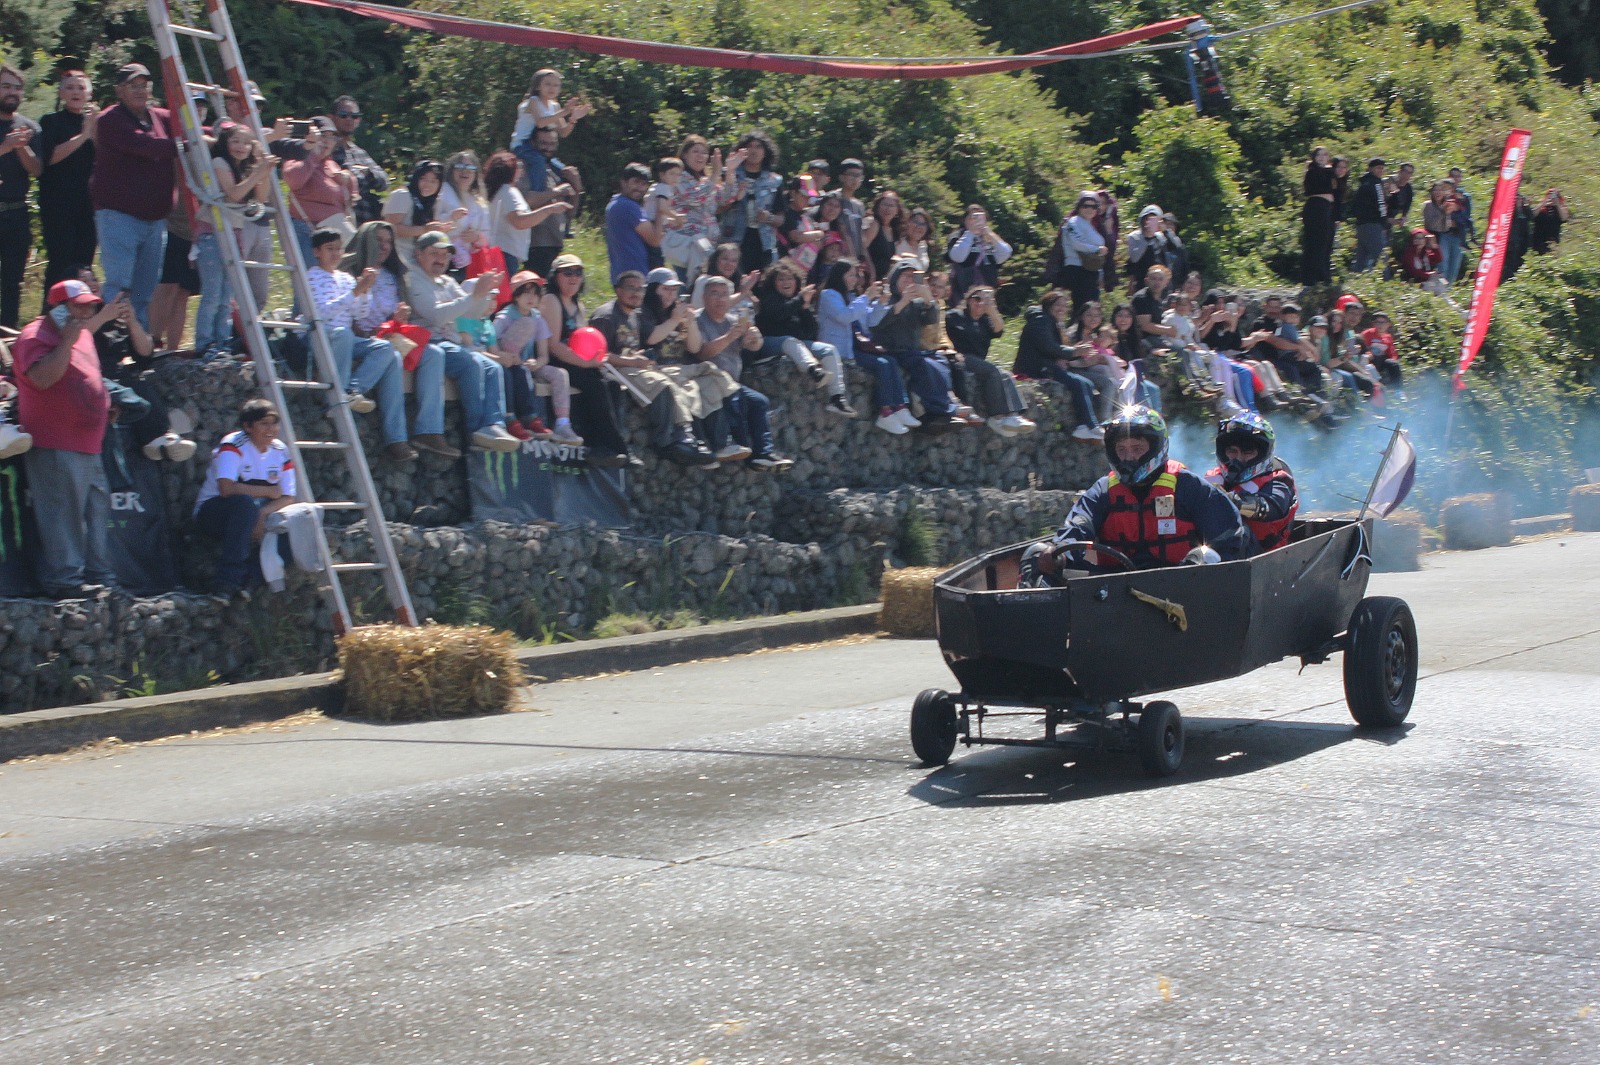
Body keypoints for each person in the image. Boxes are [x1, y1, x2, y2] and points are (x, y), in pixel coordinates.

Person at [1021, 406, 1249, 581]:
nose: (1128, 457)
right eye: (1122, 449)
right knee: (1038, 554)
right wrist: (1058, 554)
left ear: (1157, 447)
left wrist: (1199, 564)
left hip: (1179, 585)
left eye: (1137, 448)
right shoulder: (1102, 490)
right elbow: (1076, 526)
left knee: (1207, 557)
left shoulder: (1188, 485)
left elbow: (1228, 535)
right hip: (1111, 586)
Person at [12, 279, 120, 596]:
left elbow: (88, 375)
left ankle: (101, 575)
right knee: (62, 512)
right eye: (79, 306)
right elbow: (43, 378)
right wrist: (66, 342)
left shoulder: (82, 335)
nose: (87, 311)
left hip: (90, 440)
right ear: (58, 309)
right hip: (55, 440)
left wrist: (104, 403)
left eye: (90, 305)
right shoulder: (35, 335)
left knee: (96, 512)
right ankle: (66, 580)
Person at [341, 220, 459, 460]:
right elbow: (343, 311)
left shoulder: (394, 275)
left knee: (434, 354)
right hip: (357, 339)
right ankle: (396, 438)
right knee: (391, 358)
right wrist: (369, 334)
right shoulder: (347, 270)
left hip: (388, 335)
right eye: (379, 241)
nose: (384, 247)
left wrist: (398, 319)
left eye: (388, 242)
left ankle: (429, 431)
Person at [589, 269, 720, 467]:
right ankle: (666, 441)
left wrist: (639, 358)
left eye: (639, 289)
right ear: (617, 290)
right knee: (662, 384)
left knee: (678, 383)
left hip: (635, 365)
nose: (636, 293)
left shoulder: (634, 315)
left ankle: (687, 437)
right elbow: (598, 355)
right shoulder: (606, 316)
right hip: (614, 369)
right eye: (630, 288)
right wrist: (633, 362)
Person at [304, 228, 415, 461]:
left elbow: (360, 312)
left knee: (384, 348)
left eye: (338, 249)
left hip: (346, 336)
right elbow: (321, 313)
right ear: (316, 252)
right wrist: (356, 290)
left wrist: (364, 291)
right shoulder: (311, 276)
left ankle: (353, 390)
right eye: (329, 249)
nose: (335, 254)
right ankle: (337, 398)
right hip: (322, 335)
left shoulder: (344, 278)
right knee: (343, 333)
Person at [406, 230, 520, 452]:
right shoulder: (413, 279)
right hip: (428, 341)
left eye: (445, 255)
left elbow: (471, 313)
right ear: (419, 254)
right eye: (434, 254)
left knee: (492, 367)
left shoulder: (447, 281)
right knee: (472, 363)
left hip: (449, 341)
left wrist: (485, 293)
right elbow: (436, 315)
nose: (440, 260)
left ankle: (493, 424)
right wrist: (474, 295)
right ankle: (476, 429)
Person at [88, 64, 177, 330]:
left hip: (155, 221)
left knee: (144, 292)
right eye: (133, 85)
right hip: (119, 218)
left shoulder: (160, 117)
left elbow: (194, 127)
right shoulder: (110, 120)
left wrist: (222, 136)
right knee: (118, 288)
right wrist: (188, 145)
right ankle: (105, 346)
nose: (140, 90)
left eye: (144, 84)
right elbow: (145, 146)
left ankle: (135, 349)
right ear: (119, 90)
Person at [192, 398, 296, 598]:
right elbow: (226, 489)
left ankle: (250, 580)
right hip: (214, 513)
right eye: (264, 423)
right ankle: (226, 584)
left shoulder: (281, 451)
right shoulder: (233, 445)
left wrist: (263, 513)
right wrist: (266, 492)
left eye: (274, 423)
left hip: (256, 511)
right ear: (248, 426)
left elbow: (287, 497)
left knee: (300, 520)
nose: (271, 429)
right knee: (244, 505)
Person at [689, 275, 794, 470]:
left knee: (759, 401)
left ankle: (763, 453)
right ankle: (742, 450)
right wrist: (729, 337)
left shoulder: (733, 320)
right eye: (714, 294)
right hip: (707, 382)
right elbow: (702, 353)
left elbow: (754, 347)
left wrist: (754, 339)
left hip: (732, 383)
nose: (720, 299)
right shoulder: (697, 320)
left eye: (724, 295)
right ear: (704, 297)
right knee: (734, 401)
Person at [194, 122, 280, 358]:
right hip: (213, 232)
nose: (241, 147)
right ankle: (204, 342)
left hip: (236, 233)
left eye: (246, 142)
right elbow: (234, 193)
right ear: (225, 143)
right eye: (235, 141)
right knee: (213, 293)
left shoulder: (247, 168)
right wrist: (256, 172)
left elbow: (260, 199)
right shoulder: (220, 163)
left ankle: (221, 343)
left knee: (226, 297)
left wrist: (264, 172)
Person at [540, 252, 632, 467]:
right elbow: (554, 345)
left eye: (578, 273)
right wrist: (586, 363)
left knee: (611, 384)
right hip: (557, 361)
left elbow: (583, 340)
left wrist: (594, 360)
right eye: (567, 272)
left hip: (577, 361)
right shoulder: (551, 300)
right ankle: (615, 447)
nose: (573, 278)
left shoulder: (578, 305)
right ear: (556, 276)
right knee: (595, 385)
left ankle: (605, 445)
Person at [752, 260, 853, 416]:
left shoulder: (798, 302)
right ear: (773, 283)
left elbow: (811, 331)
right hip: (769, 344)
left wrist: (805, 309)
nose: (786, 283)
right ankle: (814, 371)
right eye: (781, 279)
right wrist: (800, 300)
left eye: (789, 278)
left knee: (828, 349)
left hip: (797, 345)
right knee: (790, 341)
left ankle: (837, 397)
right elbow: (779, 313)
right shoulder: (769, 299)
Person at [871, 262, 965, 431]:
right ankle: (939, 411)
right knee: (924, 366)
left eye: (912, 276)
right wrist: (904, 300)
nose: (909, 280)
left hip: (913, 350)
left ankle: (946, 409)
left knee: (941, 363)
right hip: (893, 350)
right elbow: (879, 323)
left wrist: (928, 299)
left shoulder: (916, 303)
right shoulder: (887, 298)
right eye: (905, 276)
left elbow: (930, 320)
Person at [492, 270, 582, 445]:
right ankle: (525, 418)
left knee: (560, 374)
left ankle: (563, 423)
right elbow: (490, 341)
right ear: (515, 295)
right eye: (525, 293)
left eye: (535, 293)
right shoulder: (504, 317)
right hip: (508, 362)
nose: (531, 298)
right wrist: (508, 356)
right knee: (526, 324)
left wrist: (537, 363)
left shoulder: (537, 318)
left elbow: (543, 355)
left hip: (527, 364)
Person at [937, 279, 1035, 437]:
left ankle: (1013, 415)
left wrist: (992, 310)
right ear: (969, 301)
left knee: (1005, 374)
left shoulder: (985, 321)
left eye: (987, 300)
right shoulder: (955, 316)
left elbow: (999, 330)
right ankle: (996, 416)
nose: (980, 303)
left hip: (978, 360)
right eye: (977, 299)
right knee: (992, 371)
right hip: (959, 357)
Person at [36, 69, 97, 296]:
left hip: (88, 204)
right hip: (58, 204)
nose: (76, 93)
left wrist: (94, 130)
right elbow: (50, 157)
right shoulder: (51, 122)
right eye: (70, 87)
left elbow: (104, 158)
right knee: (60, 262)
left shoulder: (94, 123)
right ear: (61, 93)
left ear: (89, 94)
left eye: (81, 88)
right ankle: (51, 319)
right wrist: (83, 135)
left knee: (84, 265)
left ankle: (80, 319)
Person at [1011, 290, 1101, 441]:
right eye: (1058, 305)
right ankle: (1089, 425)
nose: (1062, 309)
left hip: (1046, 364)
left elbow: (1052, 349)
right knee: (1078, 382)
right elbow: (1049, 347)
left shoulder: (1052, 321)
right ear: (1048, 305)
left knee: (1087, 383)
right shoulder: (1041, 320)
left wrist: (1065, 355)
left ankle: (1085, 426)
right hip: (1034, 368)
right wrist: (1075, 351)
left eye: (1065, 306)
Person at [1204, 411, 1298, 555]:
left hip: (1263, 561)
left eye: (1247, 452)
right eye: (1232, 451)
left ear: (1261, 453)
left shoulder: (1279, 481)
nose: (1238, 458)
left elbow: (1272, 506)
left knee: (1238, 531)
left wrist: (1233, 501)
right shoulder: (1212, 478)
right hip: (1209, 556)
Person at [0, 64, 41, 331]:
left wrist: (22, 147)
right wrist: (6, 146)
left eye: (17, 88)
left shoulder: (29, 128)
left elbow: (37, 170)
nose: (12, 92)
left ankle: (7, 340)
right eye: (6, 86)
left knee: (12, 282)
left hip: (15, 213)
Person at [283, 118, 355, 265]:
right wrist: (313, 155)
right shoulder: (297, 158)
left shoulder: (331, 164)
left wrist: (349, 181)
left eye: (332, 137)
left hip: (333, 236)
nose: (327, 141)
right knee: (311, 280)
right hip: (308, 232)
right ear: (310, 136)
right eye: (323, 135)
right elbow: (294, 180)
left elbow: (349, 191)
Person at [513, 126, 582, 279]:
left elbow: (570, 212)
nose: (548, 148)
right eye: (543, 143)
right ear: (532, 142)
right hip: (536, 243)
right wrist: (556, 192)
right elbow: (526, 200)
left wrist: (576, 186)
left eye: (552, 144)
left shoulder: (554, 169)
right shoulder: (526, 167)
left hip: (555, 241)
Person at [664, 134, 728, 284]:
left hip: (707, 247)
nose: (701, 156)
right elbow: (694, 197)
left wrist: (730, 170)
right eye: (695, 151)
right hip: (688, 246)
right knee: (688, 288)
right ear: (685, 155)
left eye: (704, 152)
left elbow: (725, 198)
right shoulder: (679, 177)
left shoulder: (706, 181)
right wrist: (716, 174)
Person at [720, 131, 783, 275]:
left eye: (759, 147)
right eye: (749, 146)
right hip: (733, 241)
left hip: (764, 244)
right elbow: (718, 206)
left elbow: (781, 218)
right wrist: (735, 197)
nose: (754, 150)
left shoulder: (775, 180)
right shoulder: (730, 174)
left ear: (766, 152)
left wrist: (768, 217)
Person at [327, 96, 388, 225]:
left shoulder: (360, 152)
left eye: (354, 116)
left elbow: (384, 182)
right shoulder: (326, 150)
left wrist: (368, 173)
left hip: (366, 221)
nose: (349, 119)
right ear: (331, 118)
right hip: (339, 221)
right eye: (343, 115)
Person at [605, 163, 661, 284]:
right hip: (635, 275)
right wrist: (661, 210)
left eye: (644, 184)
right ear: (623, 182)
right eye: (636, 182)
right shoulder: (628, 206)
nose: (640, 188)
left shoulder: (615, 203)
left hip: (622, 273)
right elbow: (655, 240)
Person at [945, 204, 1012, 302]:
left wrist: (989, 233)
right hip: (963, 293)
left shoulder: (989, 238)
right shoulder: (958, 236)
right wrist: (970, 233)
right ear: (965, 220)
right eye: (973, 217)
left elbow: (1005, 253)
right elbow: (957, 257)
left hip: (987, 293)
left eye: (980, 217)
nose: (976, 221)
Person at [509, 69, 590, 150]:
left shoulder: (555, 106)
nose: (552, 88)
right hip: (523, 146)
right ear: (537, 86)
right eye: (548, 84)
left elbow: (563, 133)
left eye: (556, 85)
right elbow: (540, 123)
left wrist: (573, 118)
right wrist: (564, 112)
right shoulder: (533, 101)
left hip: (542, 148)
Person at [1056, 192, 1110, 313]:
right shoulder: (1073, 222)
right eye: (1086, 206)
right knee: (1082, 309)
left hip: (1091, 271)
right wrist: (1097, 249)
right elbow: (1077, 244)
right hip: (1077, 270)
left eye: (1093, 206)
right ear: (1079, 207)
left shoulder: (1092, 226)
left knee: (1091, 308)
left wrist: (1100, 275)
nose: (1090, 209)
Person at [1301, 147, 1337, 286]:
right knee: (1316, 242)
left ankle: (1323, 276)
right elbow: (1314, 188)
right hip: (1316, 207)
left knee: (1326, 242)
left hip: (1327, 207)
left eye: (1325, 154)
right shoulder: (1313, 171)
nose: (1322, 157)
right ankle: (1312, 277)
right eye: (1319, 155)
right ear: (1314, 157)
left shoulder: (1329, 171)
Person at [1349, 157, 1389, 274]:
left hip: (1361, 225)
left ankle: (1356, 284)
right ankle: (1387, 285)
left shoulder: (1363, 184)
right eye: (1378, 168)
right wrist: (1383, 224)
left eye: (1382, 168)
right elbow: (1381, 205)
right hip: (1373, 225)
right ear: (1371, 169)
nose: (1380, 170)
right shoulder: (1376, 184)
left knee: (1361, 259)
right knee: (1382, 258)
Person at [860, 189, 903, 282]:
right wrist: (871, 269)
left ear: (897, 210)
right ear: (878, 206)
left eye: (891, 206)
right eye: (885, 204)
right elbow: (863, 247)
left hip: (881, 279)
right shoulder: (874, 223)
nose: (887, 208)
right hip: (867, 276)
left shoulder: (893, 230)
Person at [1531, 187, 1570, 254]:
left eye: (1555, 196)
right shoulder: (1541, 208)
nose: (1552, 198)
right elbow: (1532, 214)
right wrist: (1544, 202)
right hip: (1538, 240)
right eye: (1550, 195)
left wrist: (1557, 204)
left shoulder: (1560, 209)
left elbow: (1564, 218)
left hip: (1553, 242)